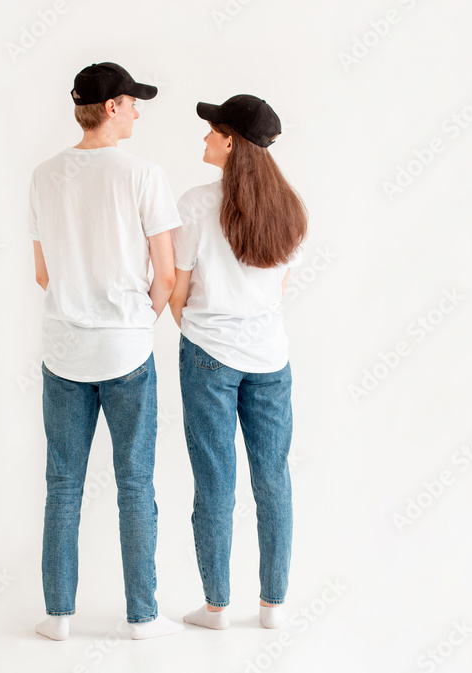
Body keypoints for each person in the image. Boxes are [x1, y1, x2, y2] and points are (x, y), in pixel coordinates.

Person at [29, 62, 184, 641]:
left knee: (63, 484)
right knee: (135, 484)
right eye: (134, 102)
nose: (140, 111)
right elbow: (166, 276)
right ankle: (143, 617)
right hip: (125, 352)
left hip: (62, 350)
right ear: (113, 106)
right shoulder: (143, 174)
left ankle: (59, 617)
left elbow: (43, 273)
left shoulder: (44, 175)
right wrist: (134, 324)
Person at [168, 94, 307, 630]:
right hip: (272, 358)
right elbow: (280, 285)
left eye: (211, 130)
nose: (204, 138)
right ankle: (273, 607)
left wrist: (200, 331)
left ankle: (216, 608)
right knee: (273, 479)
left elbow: (177, 289)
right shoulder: (289, 207)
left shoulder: (195, 204)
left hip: (209, 357)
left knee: (215, 481)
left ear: (230, 141)